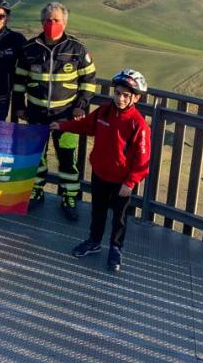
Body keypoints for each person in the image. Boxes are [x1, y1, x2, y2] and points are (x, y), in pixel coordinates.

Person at [52, 69, 151, 272]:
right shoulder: (104, 111)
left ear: (136, 98)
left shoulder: (138, 124)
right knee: (97, 212)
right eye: (118, 93)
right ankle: (94, 241)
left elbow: (143, 158)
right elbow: (87, 126)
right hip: (100, 174)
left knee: (120, 218)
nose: (120, 98)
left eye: (126, 95)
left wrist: (130, 182)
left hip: (121, 182)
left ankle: (116, 248)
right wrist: (63, 126)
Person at [13, 1, 97, 221]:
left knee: (67, 158)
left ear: (65, 22)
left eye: (56, 20)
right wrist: (20, 107)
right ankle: (36, 191)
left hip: (66, 116)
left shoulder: (77, 49)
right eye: (48, 20)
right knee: (37, 157)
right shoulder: (29, 49)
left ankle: (70, 197)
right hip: (35, 114)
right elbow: (19, 81)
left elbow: (89, 80)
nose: (52, 24)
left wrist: (81, 106)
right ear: (42, 22)